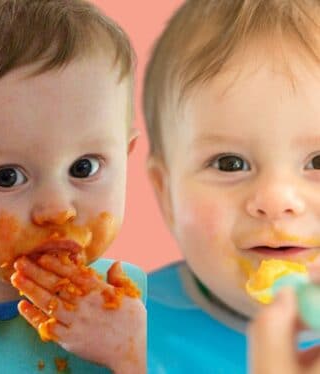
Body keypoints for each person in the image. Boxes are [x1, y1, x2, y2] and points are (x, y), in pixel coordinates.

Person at [0, 1, 146, 373]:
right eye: (7, 176)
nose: (57, 209)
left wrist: (132, 356)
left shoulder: (139, 312)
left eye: (83, 168)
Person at [143, 0, 320, 372]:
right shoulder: (127, 336)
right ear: (167, 195)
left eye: (318, 162)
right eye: (229, 163)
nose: (275, 200)